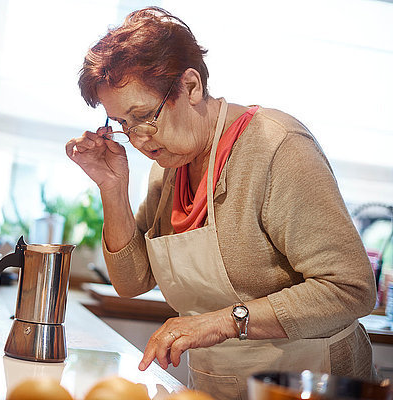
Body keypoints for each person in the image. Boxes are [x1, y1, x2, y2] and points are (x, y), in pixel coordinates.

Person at [65, 7, 377, 400]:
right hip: (217, 385)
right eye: (123, 125)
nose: (139, 139)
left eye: (143, 116)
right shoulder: (169, 164)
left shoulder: (277, 147)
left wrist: (224, 322)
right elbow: (131, 282)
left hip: (308, 384)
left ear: (191, 86)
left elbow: (351, 289)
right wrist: (111, 187)